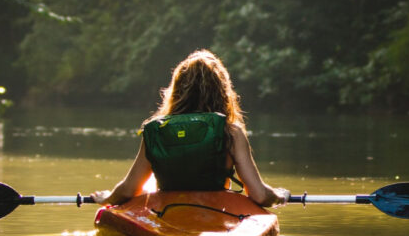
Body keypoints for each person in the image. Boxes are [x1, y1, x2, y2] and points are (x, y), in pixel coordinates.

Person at [91, 50, 289, 207]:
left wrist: (108, 198)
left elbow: (128, 190)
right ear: (222, 91)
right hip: (216, 214)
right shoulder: (231, 133)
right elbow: (260, 196)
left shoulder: (157, 131)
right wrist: (279, 195)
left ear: (176, 90)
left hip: (167, 214)